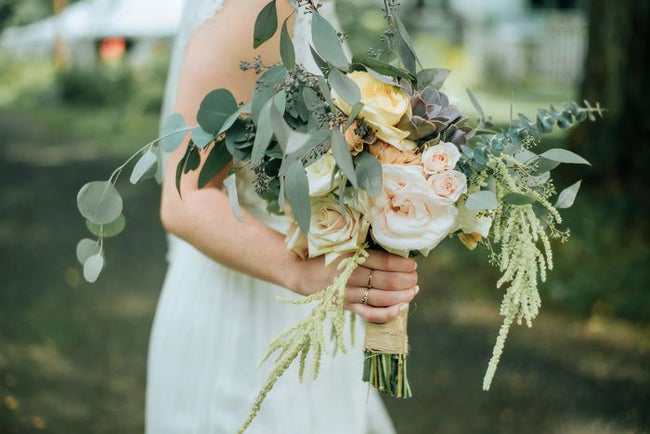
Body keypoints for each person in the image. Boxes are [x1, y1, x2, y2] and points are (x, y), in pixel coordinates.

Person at [146, 1, 420, 432]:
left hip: (308, 308)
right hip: (248, 317)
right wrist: (305, 273)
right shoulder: (259, 7)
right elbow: (185, 200)